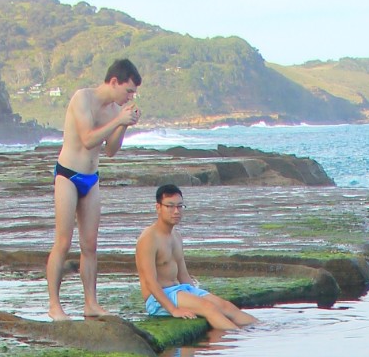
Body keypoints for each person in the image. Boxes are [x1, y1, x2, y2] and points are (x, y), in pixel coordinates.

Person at [47, 58, 143, 321]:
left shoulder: (114, 111)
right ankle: (55, 305)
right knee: (63, 242)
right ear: (114, 81)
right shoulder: (83, 99)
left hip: (91, 178)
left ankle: (91, 303)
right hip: (68, 175)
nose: (130, 97)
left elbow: (110, 151)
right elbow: (89, 139)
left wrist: (123, 123)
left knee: (90, 245)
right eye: (128, 91)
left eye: (133, 93)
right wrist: (118, 120)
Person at [134, 185, 257, 332]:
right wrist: (173, 310)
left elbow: (183, 274)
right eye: (170, 206)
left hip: (180, 290)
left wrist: (197, 295)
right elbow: (150, 281)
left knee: (226, 306)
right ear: (158, 207)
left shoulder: (176, 236)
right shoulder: (148, 238)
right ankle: (242, 337)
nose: (176, 211)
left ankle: (264, 332)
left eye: (180, 206)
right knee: (209, 308)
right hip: (158, 299)